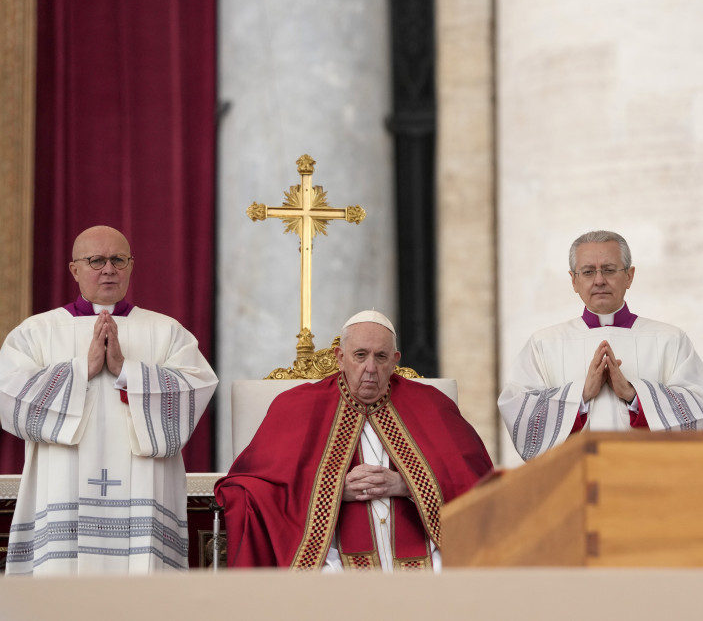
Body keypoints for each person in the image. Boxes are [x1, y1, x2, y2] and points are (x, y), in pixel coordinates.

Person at [0, 225, 218, 575]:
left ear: (131, 266)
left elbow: (195, 387)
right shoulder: (36, 332)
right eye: (96, 260)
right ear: (74, 269)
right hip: (63, 486)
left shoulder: (166, 331)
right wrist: (80, 370)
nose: (108, 269)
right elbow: (9, 394)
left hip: (142, 493)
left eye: (118, 260)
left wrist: (126, 370)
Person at [214, 310, 493, 571]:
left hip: (424, 548)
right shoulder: (296, 406)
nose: (370, 368)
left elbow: (476, 481)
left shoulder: (432, 405)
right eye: (360, 355)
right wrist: (333, 490)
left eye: (381, 357)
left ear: (395, 360)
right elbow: (251, 486)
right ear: (340, 357)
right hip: (332, 552)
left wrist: (408, 484)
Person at [498, 230, 703, 461]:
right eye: (588, 272)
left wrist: (634, 395)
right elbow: (519, 412)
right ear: (573, 280)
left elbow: (701, 402)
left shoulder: (670, 339)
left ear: (629, 276)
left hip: (647, 473)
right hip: (575, 475)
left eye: (609, 270)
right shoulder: (543, 344)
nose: (599, 280)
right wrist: (581, 394)